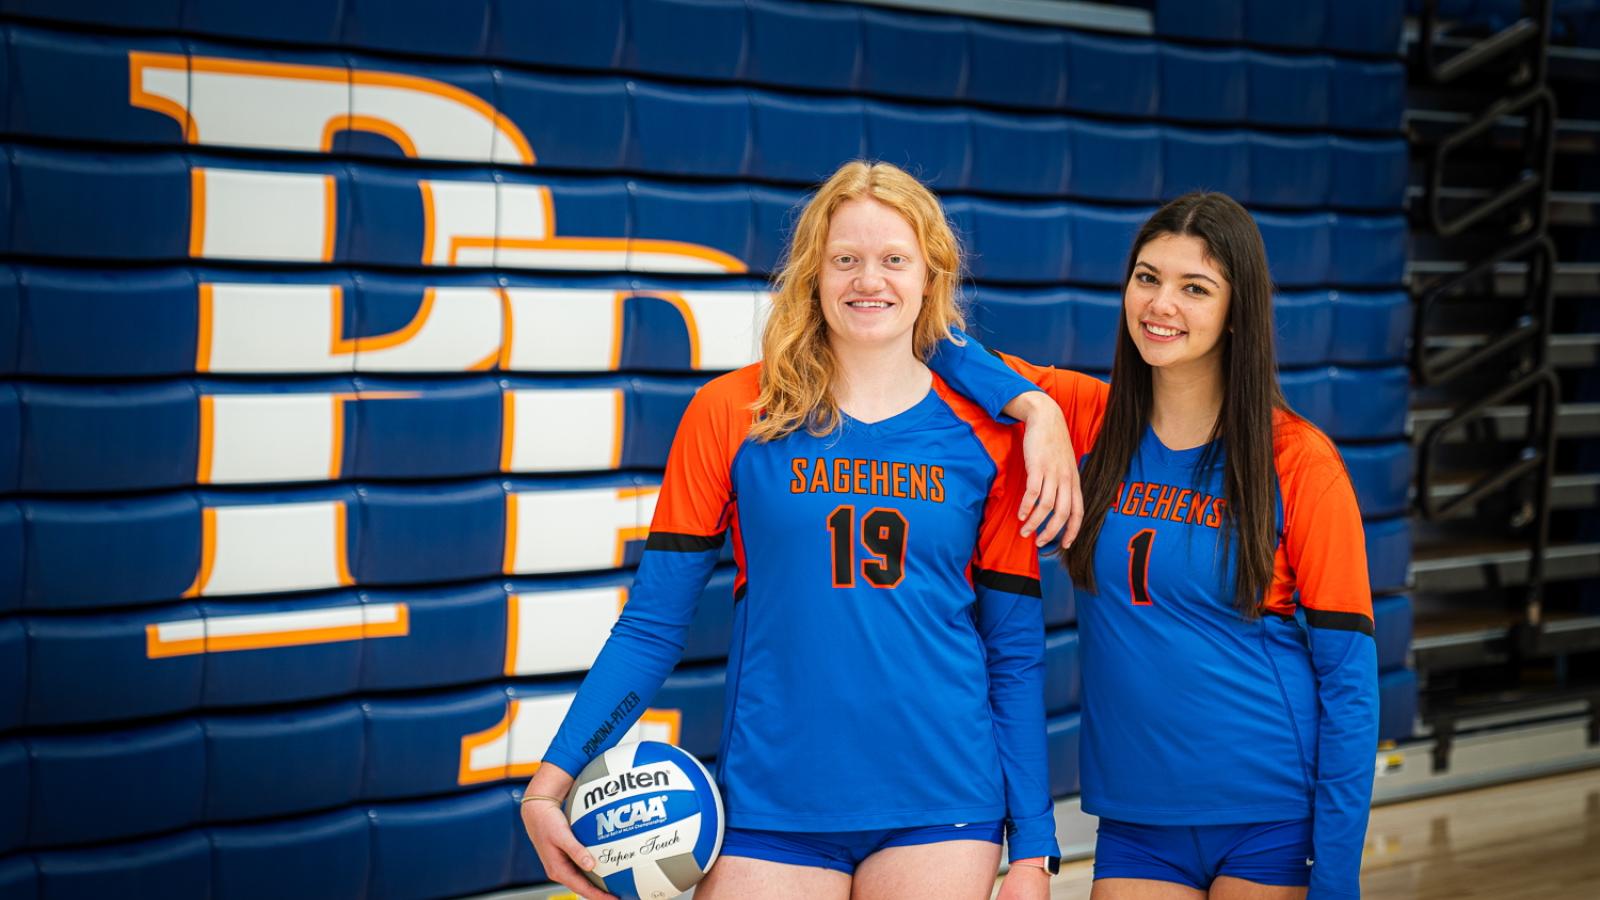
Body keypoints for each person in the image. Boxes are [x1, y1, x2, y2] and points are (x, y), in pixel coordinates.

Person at [520, 160, 1063, 900]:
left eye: (893, 260)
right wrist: (548, 786)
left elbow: (1014, 652)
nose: (868, 280)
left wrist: (1034, 849)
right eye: (846, 259)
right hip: (770, 803)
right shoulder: (733, 413)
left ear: (931, 278)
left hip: (943, 803)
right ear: (813, 274)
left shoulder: (989, 438)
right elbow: (651, 626)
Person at [930, 192, 1378, 899]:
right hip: (1138, 821)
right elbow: (936, 339)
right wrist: (1035, 406)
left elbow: (1350, 682)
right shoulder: (1088, 419)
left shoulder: (1298, 460)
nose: (1160, 304)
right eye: (1148, 277)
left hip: (1270, 814)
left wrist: (1339, 882)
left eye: (1194, 287)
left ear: (1238, 312)